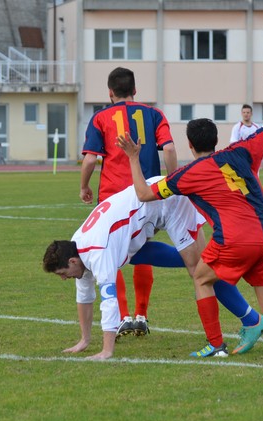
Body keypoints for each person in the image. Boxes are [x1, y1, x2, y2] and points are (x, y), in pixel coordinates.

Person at [117, 62, 263, 362]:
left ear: (190, 144)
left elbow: (144, 194)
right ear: (216, 140)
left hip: (234, 239)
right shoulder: (241, 151)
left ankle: (215, 345)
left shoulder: (188, 174)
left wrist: (133, 157)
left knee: (200, 277)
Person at [43, 178, 263, 360]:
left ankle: (251, 320)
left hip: (169, 202)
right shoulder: (76, 247)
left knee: (201, 273)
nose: (64, 279)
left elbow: (109, 301)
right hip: (142, 219)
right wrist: (84, 340)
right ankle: (225, 275)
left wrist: (107, 350)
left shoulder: (97, 251)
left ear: (72, 262)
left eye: (62, 274)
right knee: (196, 265)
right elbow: (84, 296)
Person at [80, 66, 178, 339]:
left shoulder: (101, 117)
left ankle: (123, 317)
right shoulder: (154, 114)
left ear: (110, 92)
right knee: (142, 247)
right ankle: (142, 315)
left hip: (113, 197)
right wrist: (173, 183)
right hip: (146, 194)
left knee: (111, 254)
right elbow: (169, 148)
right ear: (135, 90)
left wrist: (84, 186)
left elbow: (90, 158)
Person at [230, 104, 263, 171]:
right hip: (242, 159)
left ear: (251, 114)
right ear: (241, 113)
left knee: (255, 179)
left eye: (248, 112)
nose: (246, 114)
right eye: (244, 112)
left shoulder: (257, 127)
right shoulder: (237, 127)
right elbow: (233, 144)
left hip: (255, 159)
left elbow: (261, 144)